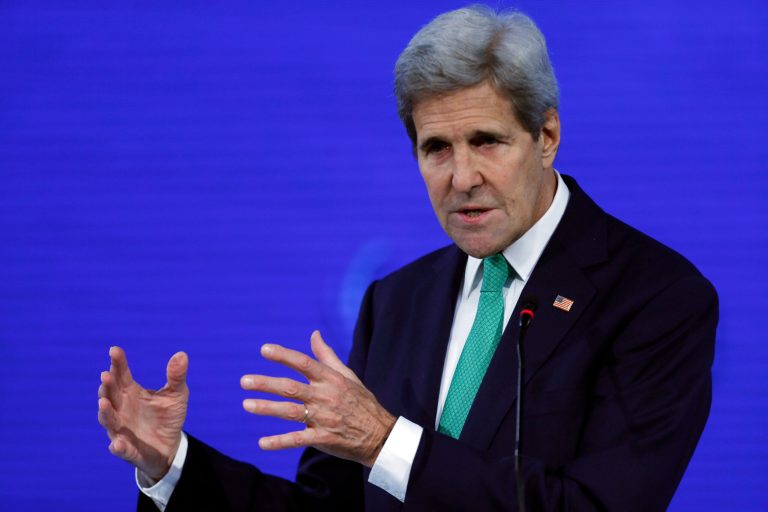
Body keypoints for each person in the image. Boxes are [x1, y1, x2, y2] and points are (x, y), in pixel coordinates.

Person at [97, 5, 717, 511]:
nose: (462, 177)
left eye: (487, 141)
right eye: (436, 148)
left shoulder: (656, 298)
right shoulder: (396, 301)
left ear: (546, 137)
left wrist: (385, 442)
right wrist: (172, 466)